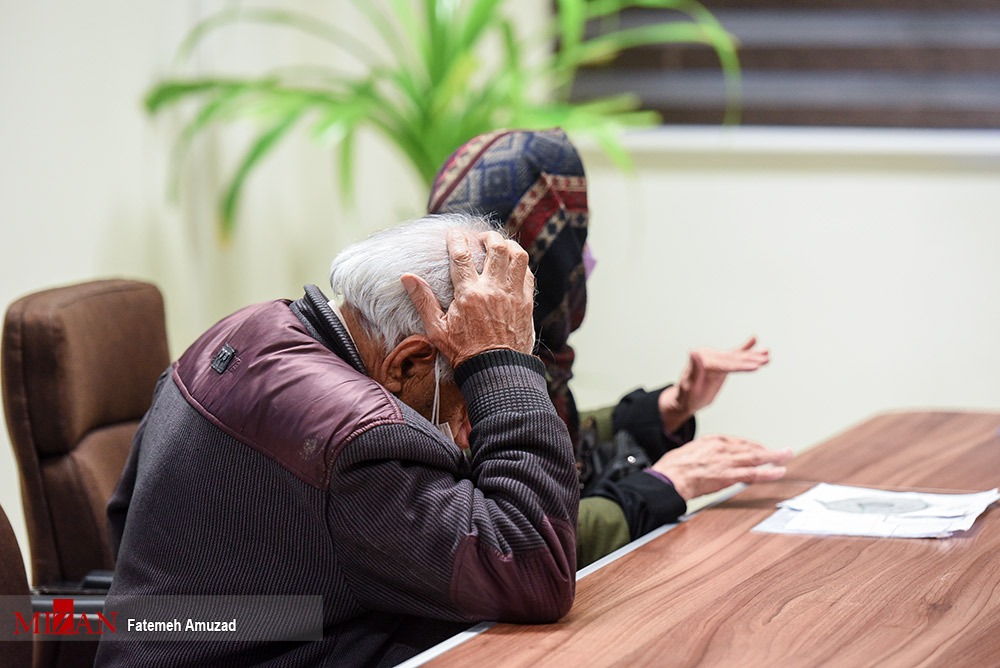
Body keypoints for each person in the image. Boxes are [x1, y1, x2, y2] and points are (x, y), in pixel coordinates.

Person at [96, 214, 579, 667]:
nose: (466, 422)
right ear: (408, 363)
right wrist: (499, 362)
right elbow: (533, 566)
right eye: (466, 390)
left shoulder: (239, 330)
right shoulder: (359, 439)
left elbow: (125, 516)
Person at [428, 128, 793, 567]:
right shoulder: (456, 375)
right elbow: (523, 538)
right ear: (543, 252)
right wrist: (664, 485)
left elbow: (542, 441)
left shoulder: (524, 354)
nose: (586, 258)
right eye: (575, 238)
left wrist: (665, 409)